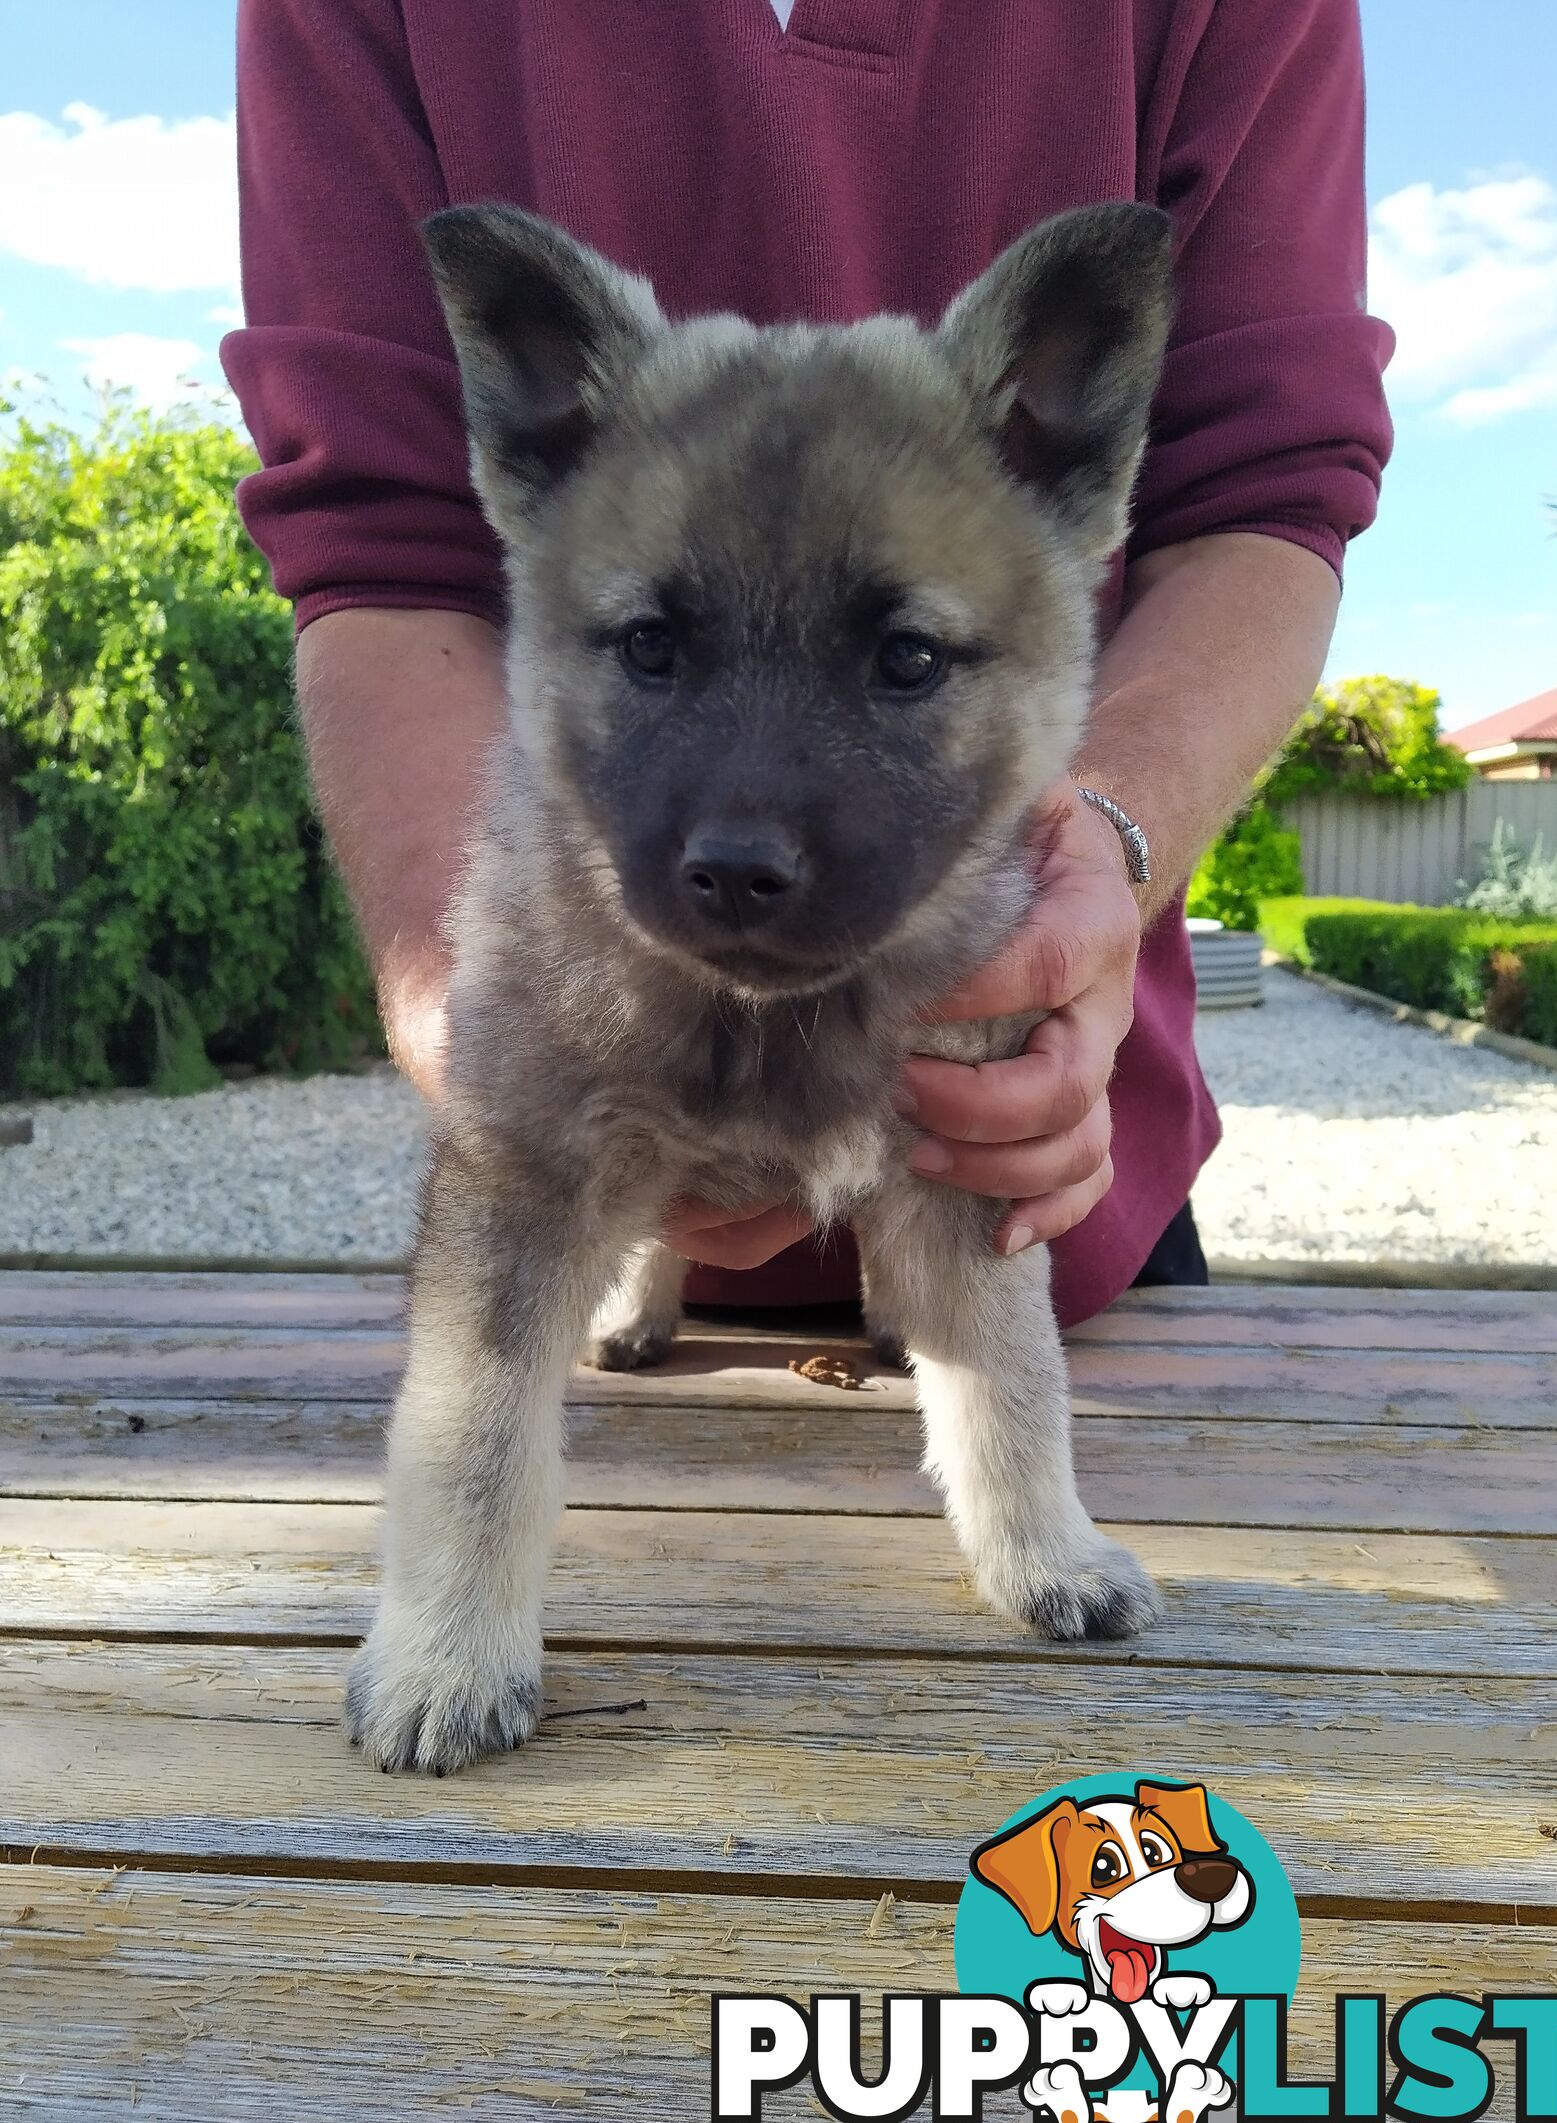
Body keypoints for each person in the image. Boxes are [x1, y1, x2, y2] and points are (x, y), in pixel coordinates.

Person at [224, 0, 1392, 1329]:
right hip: (598, 1206)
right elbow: (382, 554)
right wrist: (488, 1030)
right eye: (657, 642)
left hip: (1034, 1185)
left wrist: (1101, 850)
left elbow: (1261, 501)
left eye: (902, 653)